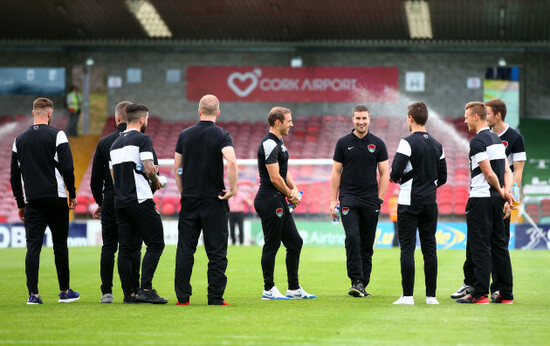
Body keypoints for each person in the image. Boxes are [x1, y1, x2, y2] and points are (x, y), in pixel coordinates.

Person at [450, 98, 525, 303]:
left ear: (476, 117)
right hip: (496, 200)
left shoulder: (478, 141)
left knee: (480, 246)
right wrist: (506, 193)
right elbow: (508, 171)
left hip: (481, 198)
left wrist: (502, 192)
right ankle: (506, 294)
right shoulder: (495, 139)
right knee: (499, 246)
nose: (465, 122)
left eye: (467, 118)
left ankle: (480, 293)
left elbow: (489, 172)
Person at [10, 97, 79, 304]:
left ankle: (33, 295)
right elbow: (67, 168)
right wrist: (72, 193)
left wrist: (20, 204)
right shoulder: (58, 135)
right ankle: (65, 292)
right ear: (50, 114)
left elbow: (14, 177)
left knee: (33, 247)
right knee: (60, 245)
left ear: (33, 113)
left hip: (32, 200)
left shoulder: (18, 140)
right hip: (56, 197)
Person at [174, 94, 238, 306]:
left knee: (185, 249)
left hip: (190, 199)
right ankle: (215, 297)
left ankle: (183, 298)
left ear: (199, 111)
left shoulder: (184, 135)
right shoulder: (222, 135)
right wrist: (233, 189)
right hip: (214, 200)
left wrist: (184, 192)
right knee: (217, 251)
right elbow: (231, 161)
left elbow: (177, 168)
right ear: (218, 113)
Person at [254, 106, 316, 300]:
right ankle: (268, 289)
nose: (292, 124)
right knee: (272, 245)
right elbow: (274, 178)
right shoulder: (269, 143)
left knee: (295, 242)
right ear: (278, 122)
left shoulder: (279, 143)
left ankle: (293, 288)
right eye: (289, 120)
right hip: (270, 199)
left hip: (278, 198)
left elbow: (283, 171)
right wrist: (291, 194)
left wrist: (294, 189)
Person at [389, 102, 447, 305]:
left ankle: (408, 296)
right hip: (430, 202)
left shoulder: (406, 142)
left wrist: (403, 179)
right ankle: (431, 296)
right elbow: (443, 177)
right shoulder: (438, 145)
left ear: (410, 118)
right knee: (430, 248)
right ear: (427, 119)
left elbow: (395, 173)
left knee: (407, 248)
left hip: (408, 202)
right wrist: (427, 187)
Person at [109, 103, 167, 304]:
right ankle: (146, 288)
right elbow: (150, 169)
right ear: (142, 120)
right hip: (140, 199)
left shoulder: (115, 144)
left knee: (125, 248)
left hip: (120, 201)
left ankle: (129, 294)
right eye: (147, 119)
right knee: (156, 243)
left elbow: (115, 175)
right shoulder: (142, 139)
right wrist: (155, 180)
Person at [330, 104, 389, 298]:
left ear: (369, 120)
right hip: (349, 199)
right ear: (352, 120)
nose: (361, 122)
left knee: (367, 243)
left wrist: (379, 198)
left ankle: (363, 283)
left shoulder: (378, 144)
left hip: (371, 200)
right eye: (358, 118)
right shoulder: (343, 142)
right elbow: (336, 172)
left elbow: (384, 172)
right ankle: (355, 280)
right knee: (353, 238)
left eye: (364, 118)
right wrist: (333, 201)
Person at [90, 101, 142, 304]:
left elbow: (95, 180)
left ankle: (106, 292)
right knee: (133, 248)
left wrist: (101, 202)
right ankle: (133, 290)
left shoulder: (105, 142)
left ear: (117, 118)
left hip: (111, 199)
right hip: (133, 197)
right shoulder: (139, 140)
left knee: (109, 247)